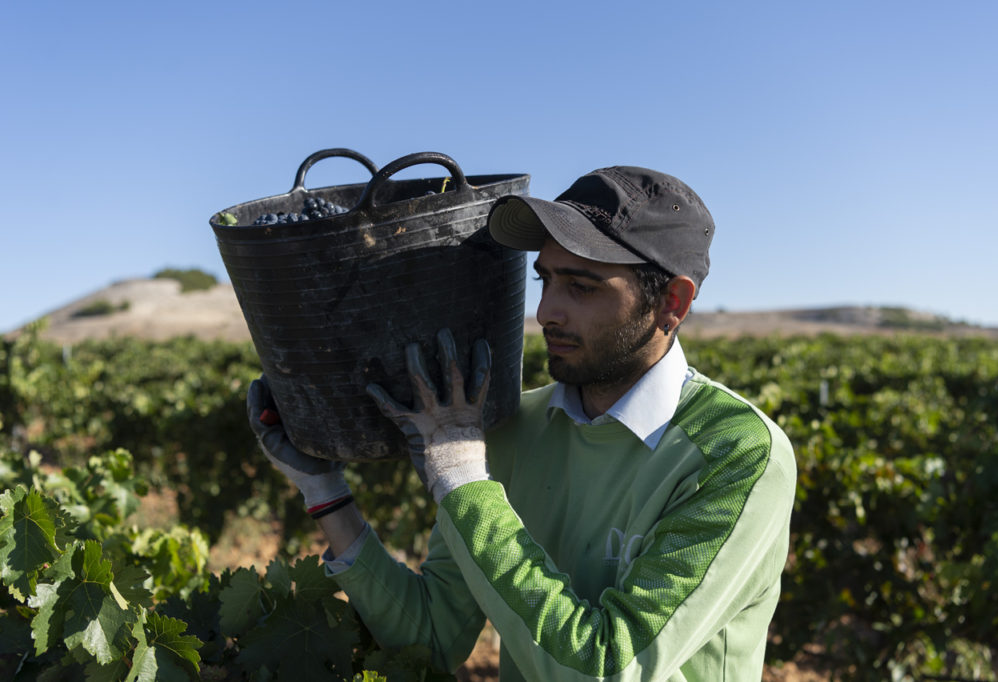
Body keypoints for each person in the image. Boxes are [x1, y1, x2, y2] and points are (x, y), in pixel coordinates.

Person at [247, 166, 797, 681]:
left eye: (581, 287)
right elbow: (433, 637)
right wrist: (325, 493)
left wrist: (463, 482)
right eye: (545, 281)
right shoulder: (513, 428)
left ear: (672, 302)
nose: (546, 312)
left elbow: (606, 666)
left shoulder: (736, 452)